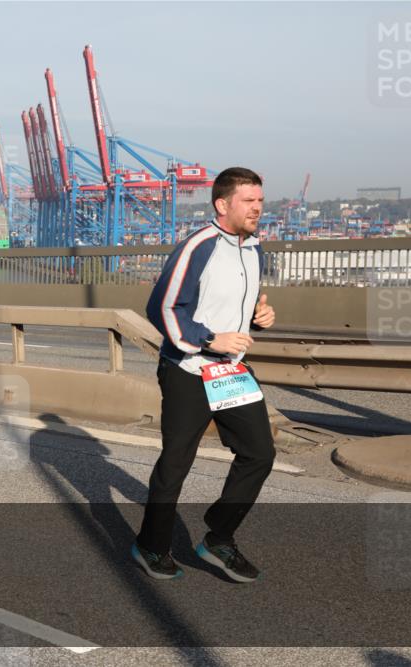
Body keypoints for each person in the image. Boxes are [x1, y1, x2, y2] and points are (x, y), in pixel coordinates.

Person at [133, 167, 277, 582]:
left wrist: (258, 318)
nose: (257, 209)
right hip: (188, 369)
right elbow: (162, 308)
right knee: (177, 462)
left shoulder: (254, 249)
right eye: (249, 201)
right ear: (222, 204)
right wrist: (210, 339)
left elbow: (234, 307)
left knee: (259, 454)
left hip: (231, 371)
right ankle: (151, 545)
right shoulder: (198, 245)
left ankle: (219, 537)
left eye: (260, 201)